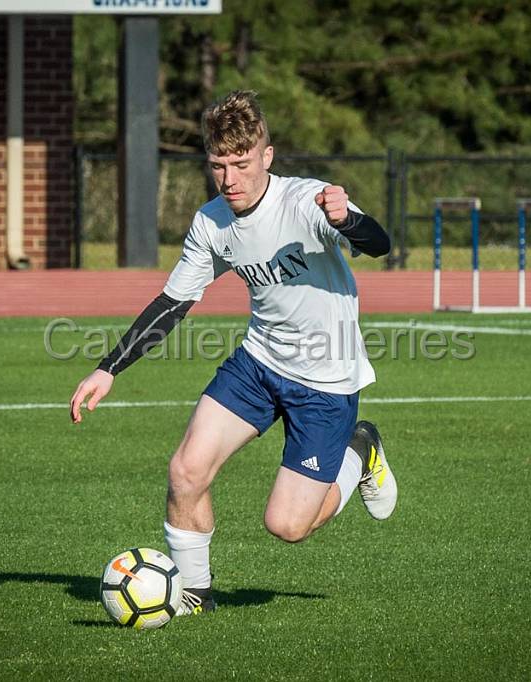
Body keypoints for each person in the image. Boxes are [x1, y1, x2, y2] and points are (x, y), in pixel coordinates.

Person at [70, 90, 398, 616]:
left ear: (267, 156)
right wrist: (108, 368)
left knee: (289, 527)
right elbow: (173, 303)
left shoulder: (308, 201)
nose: (230, 179)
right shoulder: (211, 222)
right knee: (186, 470)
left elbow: (381, 245)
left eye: (242, 164)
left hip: (326, 382)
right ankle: (197, 595)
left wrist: (349, 222)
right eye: (219, 165)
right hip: (258, 365)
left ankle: (361, 452)